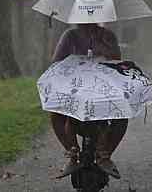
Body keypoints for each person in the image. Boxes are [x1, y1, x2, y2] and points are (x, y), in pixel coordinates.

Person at [51, 23, 128, 179]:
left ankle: (104, 155)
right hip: (76, 87)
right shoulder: (70, 36)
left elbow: (117, 61)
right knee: (55, 113)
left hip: (102, 87)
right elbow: (56, 62)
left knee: (122, 116)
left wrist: (103, 50)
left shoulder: (107, 35)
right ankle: (72, 154)